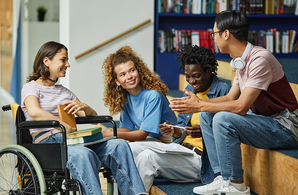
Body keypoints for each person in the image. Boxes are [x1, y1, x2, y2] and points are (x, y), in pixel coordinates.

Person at [170, 10, 298, 195]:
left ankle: (236, 185)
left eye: (214, 33)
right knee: (207, 115)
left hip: (285, 126)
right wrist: (200, 103)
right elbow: (231, 97)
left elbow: (240, 106)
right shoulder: (240, 60)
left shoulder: (259, 59)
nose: (213, 38)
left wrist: (199, 105)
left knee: (222, 119)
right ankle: (222, 177)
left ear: (226, 34)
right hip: (265, 119)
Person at [21, 41, 147, 195]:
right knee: (83, 154)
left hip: (72, 141)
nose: (68, 64)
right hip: (48, 144)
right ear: (46, 61)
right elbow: (34, 112)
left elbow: (90, 116)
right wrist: (62, 125)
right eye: (63, 60)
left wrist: (84, 107)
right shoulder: (31, 87)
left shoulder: (64, 92)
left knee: (119, 145)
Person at [128, 45, 231, 192]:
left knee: (147, 157)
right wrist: (174, 130)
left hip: (201, 160)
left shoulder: (223, 91)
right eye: (188, 76)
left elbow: (229, 132)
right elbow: (181, 129)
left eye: (196, 76)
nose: (191, 81)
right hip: (181, 149)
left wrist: (204, 132)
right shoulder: (189, 91)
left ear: (209, 70)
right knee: (128, 148)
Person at [102, 46, 177, 143]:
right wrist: (110, 131)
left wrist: (113, 134)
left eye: (132, 70)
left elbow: (142, 134)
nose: (129, 76)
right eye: (123, 74)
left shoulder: (153, 95)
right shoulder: (125, 97)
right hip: (151, 139)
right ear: (117, 81)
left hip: (168, 140)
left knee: (126, 148)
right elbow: (126, 128)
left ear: (139, 71)